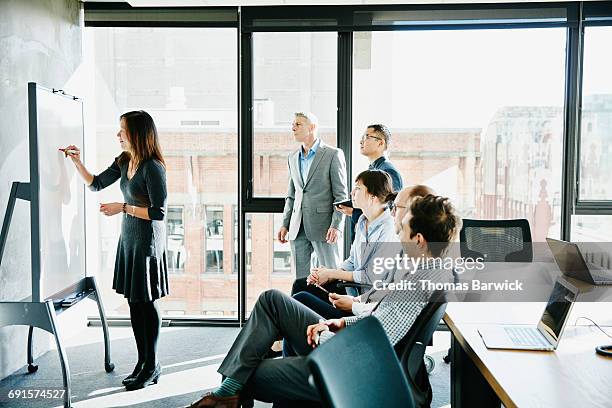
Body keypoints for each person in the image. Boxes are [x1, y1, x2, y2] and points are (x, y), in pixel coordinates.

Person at [185, 194, 460, 408]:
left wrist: (326, 336)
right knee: (273, 301)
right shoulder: (432, 268)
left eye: (403, 229)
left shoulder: (416, 286)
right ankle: (228, 394)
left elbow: (372, 349)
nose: (398, 235)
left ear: (420, 240)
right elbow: (380, 323)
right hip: (355, 352)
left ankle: (227, 394)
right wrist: (339, 322)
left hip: (351, 372)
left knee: (247, 373)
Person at [62, 110, 167, 391]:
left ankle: (152, 364)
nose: (117, 135)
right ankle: (142, 362)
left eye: (122, 130)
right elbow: (96, 184)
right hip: (129, 240)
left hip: (147, 241)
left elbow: (158, 212)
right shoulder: (124, 161)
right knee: (134, 302)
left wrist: (122, 208)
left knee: (147, 302)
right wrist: (76, 161)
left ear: (137, 133)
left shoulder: (153, 167)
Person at [302, 184, 435, 320]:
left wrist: (352, 305)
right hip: (364, 305)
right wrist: (356, 299)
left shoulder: (413, 260)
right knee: (302, 289)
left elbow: (385, 313)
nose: (392, 212)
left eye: (396, 207)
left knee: (300, 299)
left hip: (365, 320)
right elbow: (385, 293)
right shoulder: (363, 223)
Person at [291, 169, 398, 320]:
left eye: (358, 189)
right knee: (301, 285)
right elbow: (353, 262)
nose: (352, 193)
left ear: (373, 196)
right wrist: (328, 275)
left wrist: (332, 274)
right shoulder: (362, 221)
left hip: (364, 302)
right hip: (352, 289)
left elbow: (371, 276)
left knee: (302, 298)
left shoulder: (388, 229)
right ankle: (286, 339)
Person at [277, 112, 348, 281]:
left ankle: (331, 307)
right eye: (292, 124)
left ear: (312, 127)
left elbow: (341, 195)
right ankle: (300, 307)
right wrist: (285, 224)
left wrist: (337, 225)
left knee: (331, 276)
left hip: (325, 227)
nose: (293, 128)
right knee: (301, 279)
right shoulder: (293, 157)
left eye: (298, 124)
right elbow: (292, 195)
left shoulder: (333, 154)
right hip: (297, 226)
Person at [336, 124, 403, 241]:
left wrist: (354, 212)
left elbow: (389, 209)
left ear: (381, 143)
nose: (361, 141)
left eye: (367, 137)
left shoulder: (388, 171)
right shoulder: (372, 169)